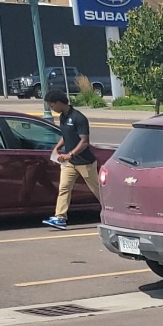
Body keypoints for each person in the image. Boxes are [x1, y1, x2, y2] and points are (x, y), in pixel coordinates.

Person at [42, 88, 97, 230]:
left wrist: (70, 154)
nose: (52, 109)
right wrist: (57, 148)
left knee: (97, 189)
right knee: (64, 188)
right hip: (69, 163)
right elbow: (65, 135)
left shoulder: (79, 118)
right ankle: (60, 218)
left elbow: (84, 141)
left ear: (59, 103)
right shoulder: (63, 117)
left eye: (52, 106)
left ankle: (113, 213)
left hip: (85, 162)